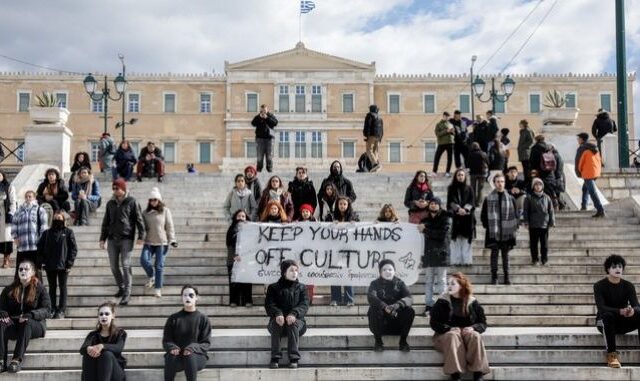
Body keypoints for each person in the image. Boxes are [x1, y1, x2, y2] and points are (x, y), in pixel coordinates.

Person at [431, 272, 490, 381]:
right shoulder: (442, 301)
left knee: (475, 335)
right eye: (448, 283)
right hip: (445, 335)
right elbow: (434, 323)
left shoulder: (472, 301)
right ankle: (455, 375)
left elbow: (483, 322)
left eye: (453, 284)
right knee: (452, 335)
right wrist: (448, 328)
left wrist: (473, 328)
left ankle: (478, 374)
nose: (449, 286)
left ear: (461, 285)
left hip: (466, 334)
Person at [100, 178, 145, 305]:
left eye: (117, 188)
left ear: (123, 189)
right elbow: (105, 222)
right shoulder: (110, 204)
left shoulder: (132, 201)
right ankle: (121, 287)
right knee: (114, 266)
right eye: (113, 188)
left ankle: (127, 293)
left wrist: (141, 236)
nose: (115, 191)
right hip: (112, 239)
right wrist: (102, 239)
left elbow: (139, 219)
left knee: (125, 265)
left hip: (126, 238)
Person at [0, 260, 50, 373]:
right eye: (20, 269)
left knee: (27, 322)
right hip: (15, 324)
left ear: (32, 272)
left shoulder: (40, 289)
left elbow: (47, 310)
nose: (23, 271)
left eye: (26, 269)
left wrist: (32, 314)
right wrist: (2, 312)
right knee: (1, 323)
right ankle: (1, 362)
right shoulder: (8, 290)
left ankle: (16, 360)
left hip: (34, 325)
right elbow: (1, 307)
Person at [593, 255, 640, 368]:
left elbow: (637, 306)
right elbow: (601, 308)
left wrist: (632, 311)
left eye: (620, 266)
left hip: (623, 322)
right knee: (607, 315)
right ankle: (612, 356)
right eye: (614, 267)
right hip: (605, 321)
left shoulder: (628, 286)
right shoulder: (599, 286)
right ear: (608, 269)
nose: (617, 269)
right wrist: (620, 311)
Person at [265, 260, 309, 369]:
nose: (294, 273)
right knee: (276, 323)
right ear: (284, 272)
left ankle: (294, 358)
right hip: (278, 322)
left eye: (296, 270)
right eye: (291, 270)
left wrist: (294, 314)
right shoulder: (273, 287)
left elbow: (304, 305)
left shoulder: (302, 288)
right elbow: (269, 304)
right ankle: (275, 358)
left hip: (297, 323)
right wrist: (277, 313)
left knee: (292, 323)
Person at [163, 285, 211, 381]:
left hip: (196, 357)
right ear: (181, 297)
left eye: (191, 295)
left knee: (190, 355)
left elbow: (206, 343)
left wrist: (192, 348)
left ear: (197, 297)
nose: (187, 298)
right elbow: (167, 340)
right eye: (184, 295)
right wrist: (172, 347)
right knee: (171, 356)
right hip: (178, 357)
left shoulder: (203, 319)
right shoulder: (173, 318)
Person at [367, 259, 414, 352]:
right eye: (384, 270)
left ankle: (403, 342)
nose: (387, 272)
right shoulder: (374, 284)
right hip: (381, 325)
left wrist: (396, 305)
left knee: (409, 311)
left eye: (390, 269)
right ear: (380, 272)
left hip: (396, 323)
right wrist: (384, 306)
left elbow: (409, 297)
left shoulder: (400, 283)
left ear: (394, 271)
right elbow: (371, 297)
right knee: (373, 309)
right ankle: (378, 342)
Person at [37, 211, 77, 319]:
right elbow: (39, 248)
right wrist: (42, 262)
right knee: (52, 287)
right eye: (56, 218)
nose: (57, 220)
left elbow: (73, 249)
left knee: (63, 287)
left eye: (60, 218)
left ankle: (61, 310)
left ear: (64, 220)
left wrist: (69, 263)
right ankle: (52, 308)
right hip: (50, 265)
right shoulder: (46, 233)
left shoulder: (68, 232)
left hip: (63, 265)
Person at [481, 173, 518, 285]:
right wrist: (490, 227)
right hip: (494, 232)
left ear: (504, 183)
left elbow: (515, 215)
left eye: (502, 181)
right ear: (494, 183)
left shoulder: (511, 198)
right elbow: (483, 216)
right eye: (498, 182)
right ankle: (494, 277)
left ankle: (507, 277)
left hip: (507, 231)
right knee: (494, 255)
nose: (500, 184)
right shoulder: (488, 198)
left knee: (506, 256)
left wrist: (513, 228)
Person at [141, 187, 177, 298]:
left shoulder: (165, 211)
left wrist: (172, 240)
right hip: (149, 242)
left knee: (159, 266)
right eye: (151, 200)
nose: (153, 202)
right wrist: (140, 238)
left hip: (162, 243)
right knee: (143, 260)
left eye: (155, 200)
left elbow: (169, 226)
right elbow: (142, 228)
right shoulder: (145, 213)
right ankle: (151, 276)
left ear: (159, 200)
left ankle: (157, 288)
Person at [418, 197, 451, 316]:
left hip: (441, 254)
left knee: (442, 281)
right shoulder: (425, 220)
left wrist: (426, 230)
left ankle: (442, 305)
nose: (433, 205)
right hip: (429, 254)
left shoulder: (445, 218)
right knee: (428, 281)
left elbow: (442, 235)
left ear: (439, 205)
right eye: (431, 203)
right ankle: (429, 305)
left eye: (436, 203)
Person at [80, 302, 127, 381]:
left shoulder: (120, 333)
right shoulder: (93, 335)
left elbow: (118, 348)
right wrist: (88, 348)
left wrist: (102, 346)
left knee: (106, 354)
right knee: (88, 354)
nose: (103, 316)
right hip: (97, 373)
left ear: (113, 316)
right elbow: (82, 349)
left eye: (107, 314)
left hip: (115, 373)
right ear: (98, 317)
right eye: (101, 314)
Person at [328, 196, 358, 306]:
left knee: (348, 274)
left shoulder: (354, 216)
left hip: (349, 250)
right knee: (335, 274)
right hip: (334, 250)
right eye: (340, 204)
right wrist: (331, 224)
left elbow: (359, 230)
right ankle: (335, 298)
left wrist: (354, 224)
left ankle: (349, 299)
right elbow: (324, 229)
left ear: (348, 205)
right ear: (337, 205)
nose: (342, 206)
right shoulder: (331, 216)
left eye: (344, 204)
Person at [12, 191, 48, 280]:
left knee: (36, 271)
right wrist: (15, 237)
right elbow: (14, 225)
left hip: (35, 246)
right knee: (19, 271)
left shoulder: (40, 210)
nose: (28, 198)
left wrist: (41, 240)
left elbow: (44, 226)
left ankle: (38, 292)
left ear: (34, 198)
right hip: (22, 247)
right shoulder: (19, 211)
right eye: (26, 197)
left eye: (30, 196)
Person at [523, 178, 555, 266]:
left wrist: (552, 222)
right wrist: (526, 222)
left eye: (540, 184)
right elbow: (526, 211)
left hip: (544, 225)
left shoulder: (547, 197)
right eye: (536, 185)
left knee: (544, 244)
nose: (538, 186)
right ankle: (535, 259)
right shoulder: (529, 198)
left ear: (542, 186)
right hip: (533, 225)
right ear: (533, 186)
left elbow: (551, 210)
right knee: (533, 244)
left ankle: (544, 260)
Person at [447, 169, 476, 266]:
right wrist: (458, 209)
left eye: (462, 175)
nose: (460, 176)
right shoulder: (451, 188)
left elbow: (472, 202)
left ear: (465, 176)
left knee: (467, 240)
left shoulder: (470, 188)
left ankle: (467, 261)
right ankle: (456, 261)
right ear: (455, 176)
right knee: (456, 240)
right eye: (458, 175)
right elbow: (450, 202)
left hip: (467, 218)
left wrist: (466, 210)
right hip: (456, 218)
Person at [226, 209, 252, 307]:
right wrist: (234, 256)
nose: (241, 218)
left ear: (246, 218)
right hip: (233, 260)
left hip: (246, 261)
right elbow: (229, 245)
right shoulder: (231, 229)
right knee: (234, 282)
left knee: (247, 281)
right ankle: (234, 301)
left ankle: (247, 301)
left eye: (243, 216)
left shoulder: (251, 230)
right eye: (239, 216)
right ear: (235, 218)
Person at [575, 132, 605, 218]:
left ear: (582, 139)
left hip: (587, 173)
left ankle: (600, 209)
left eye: (578, 139)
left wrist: (579, 171)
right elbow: (600, 160)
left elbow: (579, 162)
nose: (578, 140)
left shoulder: (582, 149)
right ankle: (584, 205)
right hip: (595, 172)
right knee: (585, 188)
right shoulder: (594, 148)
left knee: (592, 191)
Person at [529, 134, 558, 208]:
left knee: (540, 188)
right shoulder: (549, 147)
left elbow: (532, 161)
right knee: (550, 188)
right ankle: (555, 204)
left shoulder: (535, 148)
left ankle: (544, 206)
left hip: (540, 171)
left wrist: (532, 170)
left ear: (536, 140)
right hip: (550, 171)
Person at [251, 104, 278, 172]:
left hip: (269, 139)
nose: (263, 112)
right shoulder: (258, 116)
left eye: (264, 110)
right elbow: (253, 123)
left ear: (267, 110)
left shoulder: (270, 115)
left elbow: (275, 123)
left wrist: (267, 118)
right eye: (262, 110)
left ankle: (269, 169)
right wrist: (259, 117)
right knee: (259, 156)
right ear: (260, 110)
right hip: (260, 139)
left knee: (269, 156)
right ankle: (259, 170)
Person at [0, 169, 17, 268]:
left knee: (7, 238)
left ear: (3, 176)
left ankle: (6, 260)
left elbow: (13, 201)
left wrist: (11, 213)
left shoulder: (9, 186)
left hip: (5, 214)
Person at [468, 142, 489, 208]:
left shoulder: (470, 154)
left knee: (473, 188)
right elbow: (488, 162)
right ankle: (479, 203)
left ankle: (473, 202)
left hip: (473, 173)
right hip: (482, 173)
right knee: (481, 189)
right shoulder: (483, 154)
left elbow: (467, 163)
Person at [363, 104, 384, 172]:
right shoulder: (379, 117)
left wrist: (366, 135)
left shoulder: (369, 116)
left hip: (371, 135)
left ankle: (375, 164)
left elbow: (367, 126)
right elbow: (382, 129)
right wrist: (380, 138)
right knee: (375, 151)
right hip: (378, 136)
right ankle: (375, 166)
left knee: (369, 150)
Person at [433, 112, 455, 176]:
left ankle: (447, 172)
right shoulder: (439, 124)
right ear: (443, 116)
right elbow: (437, 134)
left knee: (450, 158)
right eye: (446, 116)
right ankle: (434, 171)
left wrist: (452, 132)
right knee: (437, 157)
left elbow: (454, 134)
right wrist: (446, 131)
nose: (447, 117)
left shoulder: (450, 124)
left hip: (450, 142)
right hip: (442, 143)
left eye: (448, 116)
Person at [517, 119, 535, 184]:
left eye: (520, 123)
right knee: (525, 168)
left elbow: (532, 141)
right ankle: (526, 181)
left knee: (527, 168)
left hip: (526, 153)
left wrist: (523, 147)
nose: (519, 125)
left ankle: (528, 181)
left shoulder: (528, 131)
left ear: (523, 124)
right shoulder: (523, 131)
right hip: (522, 153)